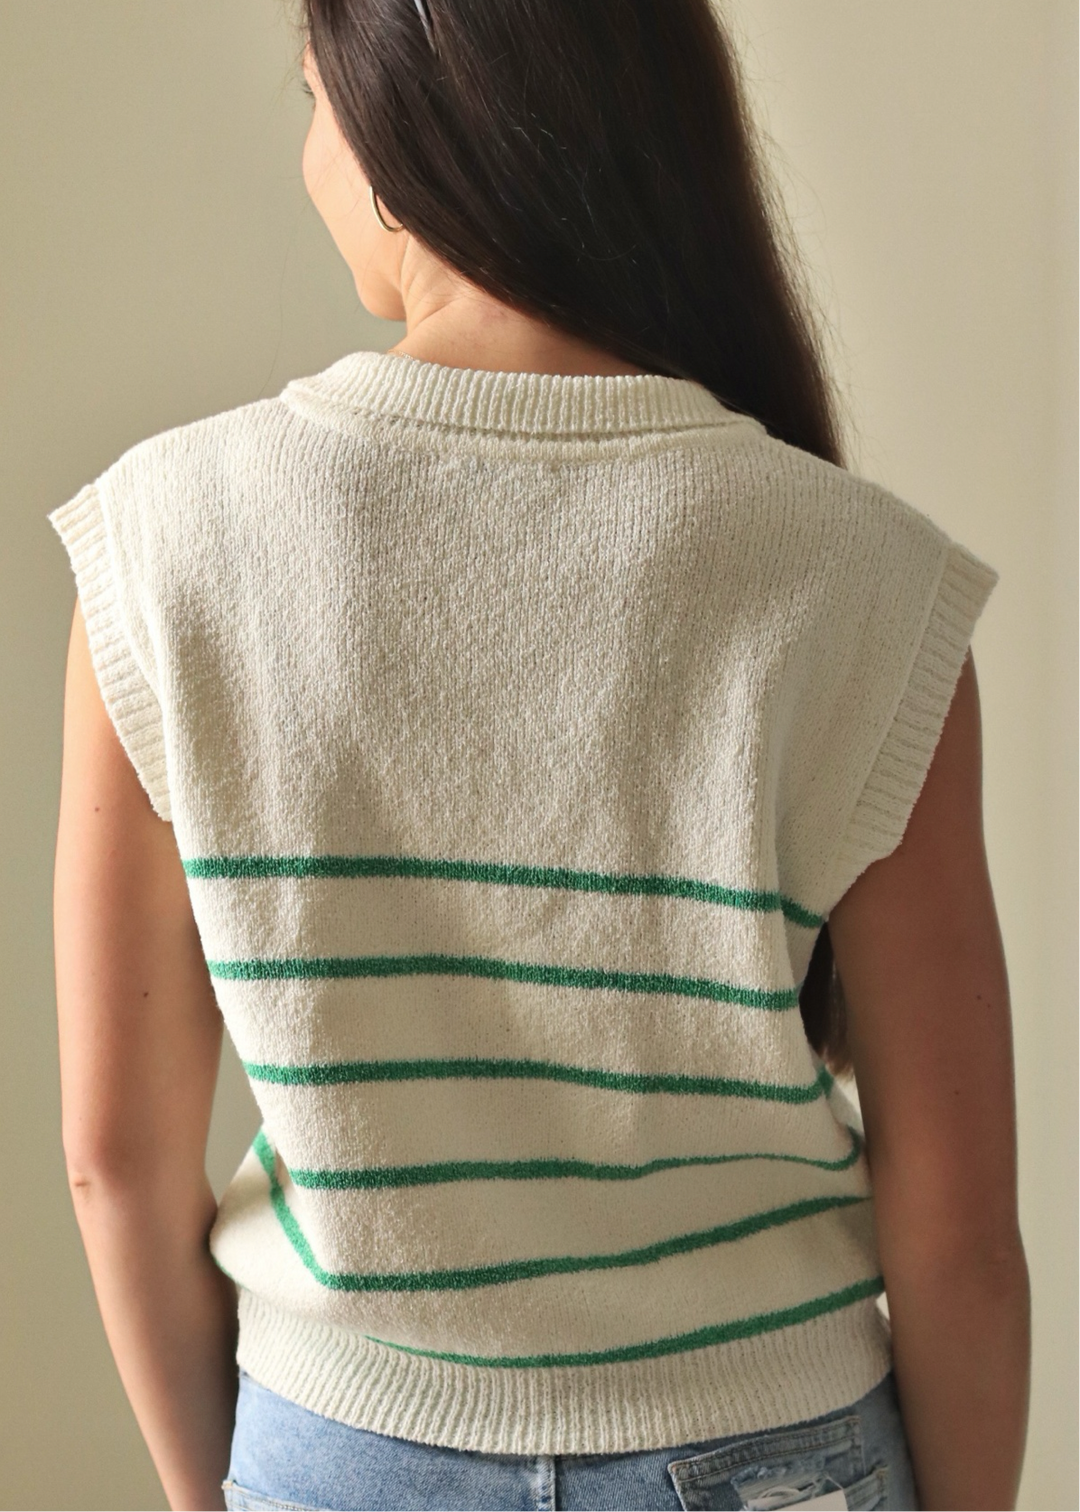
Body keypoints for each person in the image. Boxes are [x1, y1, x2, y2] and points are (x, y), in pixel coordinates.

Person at [48, 2, 1030, 1510]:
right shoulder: (870, 584)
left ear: (400, 120)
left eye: (313, 99)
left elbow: (113, 1165)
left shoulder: (164, 547)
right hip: (775, 1445)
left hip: (343, 1449)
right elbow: (957, 1238)